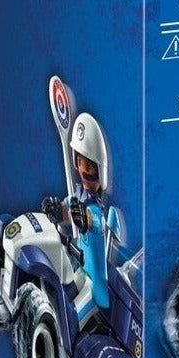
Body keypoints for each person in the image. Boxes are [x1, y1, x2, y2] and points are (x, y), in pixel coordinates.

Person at [42, 112, 115, 324]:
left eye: (89, 166)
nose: (83, 169)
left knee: (72, 317)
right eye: (80, 162)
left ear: (99, 171)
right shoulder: (77, 197)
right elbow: (65, 210)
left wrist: (83, 216)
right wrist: (56, 208)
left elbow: (95, 222)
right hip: (80, 270)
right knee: (62, 296)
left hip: (94, 285)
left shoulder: (95, 209)